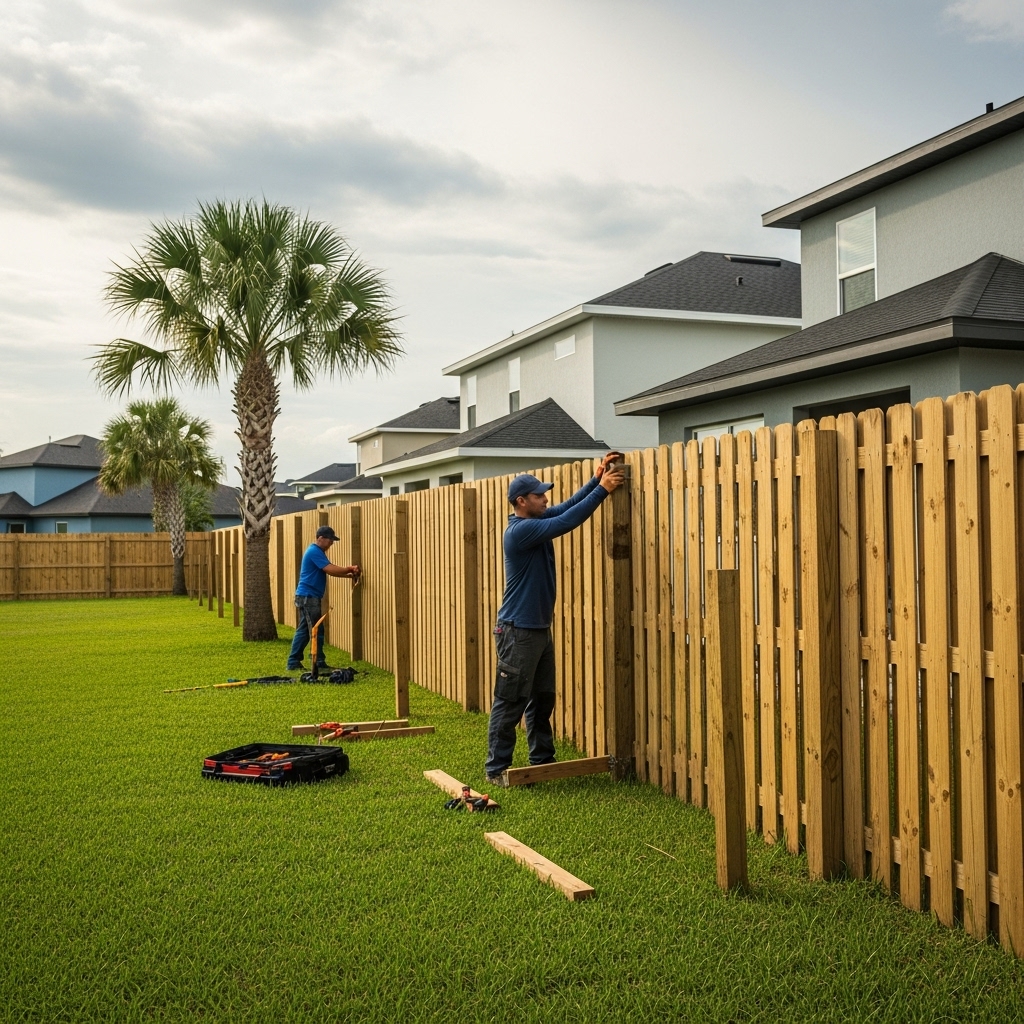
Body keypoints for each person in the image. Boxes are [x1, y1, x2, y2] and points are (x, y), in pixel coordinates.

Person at [484, 453, 626, 784]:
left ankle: (542, 759)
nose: (546, 499)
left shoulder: (534, 521)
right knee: (511, 701)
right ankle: (496, 769)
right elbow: (566, 521)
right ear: (522, 501)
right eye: (539, 495)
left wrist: (595, 480)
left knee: (543, 697)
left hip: (536, 630)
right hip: (517, 632)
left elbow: (563, 509)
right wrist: (603, 490)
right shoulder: (520, 532)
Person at [287, 525, 361, 671]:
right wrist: (349, 569)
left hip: (307, 596)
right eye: (330, 540)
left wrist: (348, 575)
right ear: (320, 538)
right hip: (309, 597)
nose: (331, 543)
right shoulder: (314, 551)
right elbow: (329, 568)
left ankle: (294, 661)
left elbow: (328, 570)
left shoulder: (316, 551)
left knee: (304, 630)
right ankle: (318, 662)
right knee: (316, 630)